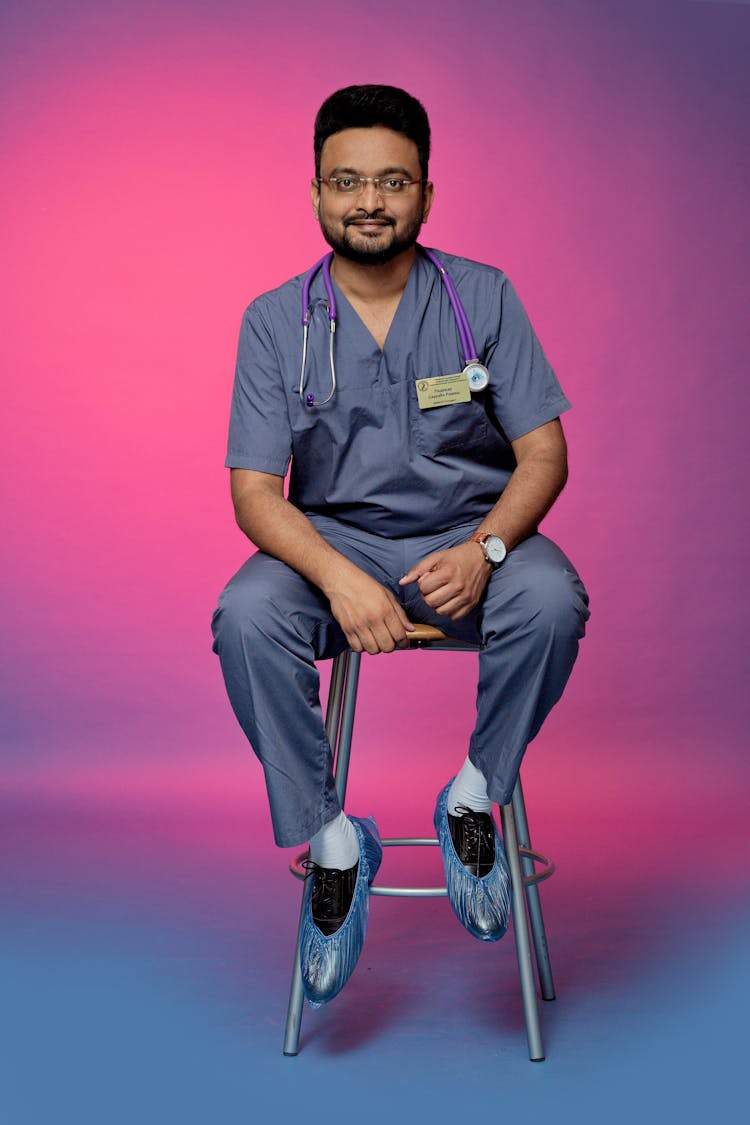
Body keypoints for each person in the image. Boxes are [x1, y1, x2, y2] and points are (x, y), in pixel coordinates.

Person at [212, 84, 589, 1007]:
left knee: (552, 600)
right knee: (247, 613)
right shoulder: (275, 322)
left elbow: (544, 452)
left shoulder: (482, 297)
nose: (369, 201)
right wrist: (339, 579)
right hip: (335, 548)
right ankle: (336, 840)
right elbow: (256, 493)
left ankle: (472, 796)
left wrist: (487, 551)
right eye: (347, 181)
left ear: (425, 193)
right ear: (315, 194)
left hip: (472, 542)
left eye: (392, 181)